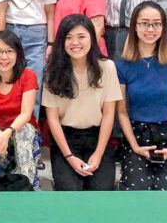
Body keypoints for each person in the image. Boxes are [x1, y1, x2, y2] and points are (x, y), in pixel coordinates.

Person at [43, 14, 122, 191]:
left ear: (92, 39)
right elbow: (52, 119)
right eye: (68, 37)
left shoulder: (107, 67)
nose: (75, 43)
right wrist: (69, 156)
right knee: (69, 191)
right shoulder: (52, 71)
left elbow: (109, 114)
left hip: (98, 138)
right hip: (66, 140)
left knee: (101, 190)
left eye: (81, 37)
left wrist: (98, 153)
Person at [116, 2, 167, 190]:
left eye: (157, 24)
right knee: (136, 191)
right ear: (134, 27)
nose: (151, 29)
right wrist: (134, 146)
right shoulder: (122, 65)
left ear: (163, 28)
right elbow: (122, 112)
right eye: (144, 23)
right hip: (138, 136)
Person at [0, 0, 56, 118]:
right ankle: (8, 130)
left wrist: (50, 43)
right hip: (9, 33)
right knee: (8, 84)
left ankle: (30, 131)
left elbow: (50, 13)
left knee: (34, 85)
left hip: (36, 35)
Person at [0, 30, 40, 190]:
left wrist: (8, 132)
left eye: (9, 51)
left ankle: (28, 186)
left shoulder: (28, 75)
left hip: (22, 129)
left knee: (23, 133)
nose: (4, 57)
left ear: (17, 53)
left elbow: (26, 114)